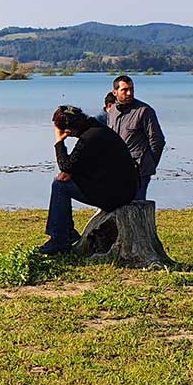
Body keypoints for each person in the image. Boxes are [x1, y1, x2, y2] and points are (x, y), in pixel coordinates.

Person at [38, 105, 139, 255]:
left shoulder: (89, 138)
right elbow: (84, 163)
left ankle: (60, 240)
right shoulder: (97, 130)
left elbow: (66, 165)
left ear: (68, 131)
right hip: (125, 189)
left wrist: (59, 142)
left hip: (117, 195)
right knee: (63, 182)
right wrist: (72, 173)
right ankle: (66, 232)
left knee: (60, 186)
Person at [107, 75, 166, 200]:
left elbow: (158, 141)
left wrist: (149, 163)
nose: (129, 93)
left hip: (139, 171)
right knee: (119, 207)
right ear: (115, 92)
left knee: (137, 208)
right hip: (117, 169)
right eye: (124, 90)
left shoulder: (144, 111)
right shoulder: (111, 111)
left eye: (131, 89)